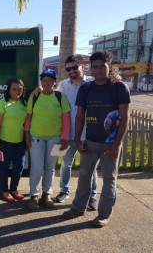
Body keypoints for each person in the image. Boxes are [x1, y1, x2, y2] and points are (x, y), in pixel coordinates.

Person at [62, 51, 130, 228]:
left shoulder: (119, 87)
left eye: (102, 66)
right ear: (90, 69)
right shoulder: (86, 88)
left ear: (109, 67)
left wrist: (117, 144)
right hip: (89, 142)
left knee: (109, 179)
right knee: (84, 176)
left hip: (110, 144)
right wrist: (77, 140)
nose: (98, 70)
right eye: (95, 66)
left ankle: (104, 214)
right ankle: (78, 208)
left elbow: (124, 118)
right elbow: (79, 117)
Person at [54, 55, 98, 210]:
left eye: (74, 67)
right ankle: (64, 191)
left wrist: (116, 77)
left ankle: (92, 197)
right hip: (69, 134)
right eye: (68, 69)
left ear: (83, 66)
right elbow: (52, 99)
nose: (71, 71)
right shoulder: (63, 85)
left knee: (90, 168)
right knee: (66, 165)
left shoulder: (93, 82)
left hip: (90, 134)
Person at [24, 69, 70, 210]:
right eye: (44, 80)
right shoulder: (35, 96)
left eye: (50, 80)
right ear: (41, 82)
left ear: (55, 82)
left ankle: (46, 194)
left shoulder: (60, 97)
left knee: (50, 168)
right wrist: (26, 134)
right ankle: (34, 195)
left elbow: (66, 119)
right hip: (36, 136)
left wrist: (65, 137)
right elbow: (28, 116)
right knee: (37, 167)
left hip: (54, 138)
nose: (47, 82)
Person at [0, 78, 27, 202]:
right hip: (5, 141)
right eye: (13, 89)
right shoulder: (2, 103)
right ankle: (4, 190)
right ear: (8, 90)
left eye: (19, 89)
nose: (16, 91)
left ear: (23, 90)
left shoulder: (25, 103)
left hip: (20, 142)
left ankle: (14, 189)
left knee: (19, 167)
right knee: (4, 167)